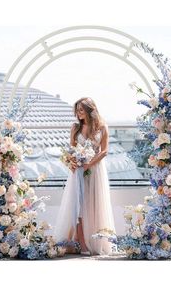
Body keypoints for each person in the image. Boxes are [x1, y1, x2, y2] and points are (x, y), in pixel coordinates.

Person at [54, 97, 116, 255]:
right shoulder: (75, 127)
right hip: (78, 172)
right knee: (78, 205)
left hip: (95, 171)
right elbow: (71, 151)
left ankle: (96, 240)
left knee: (94, 204)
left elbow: (104, 151)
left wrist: (89, 164)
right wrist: (72, 163)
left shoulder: (102, 127)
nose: (78, 113)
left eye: (81, 110)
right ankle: (82, 243)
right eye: (77, 110)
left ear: (90, 109)